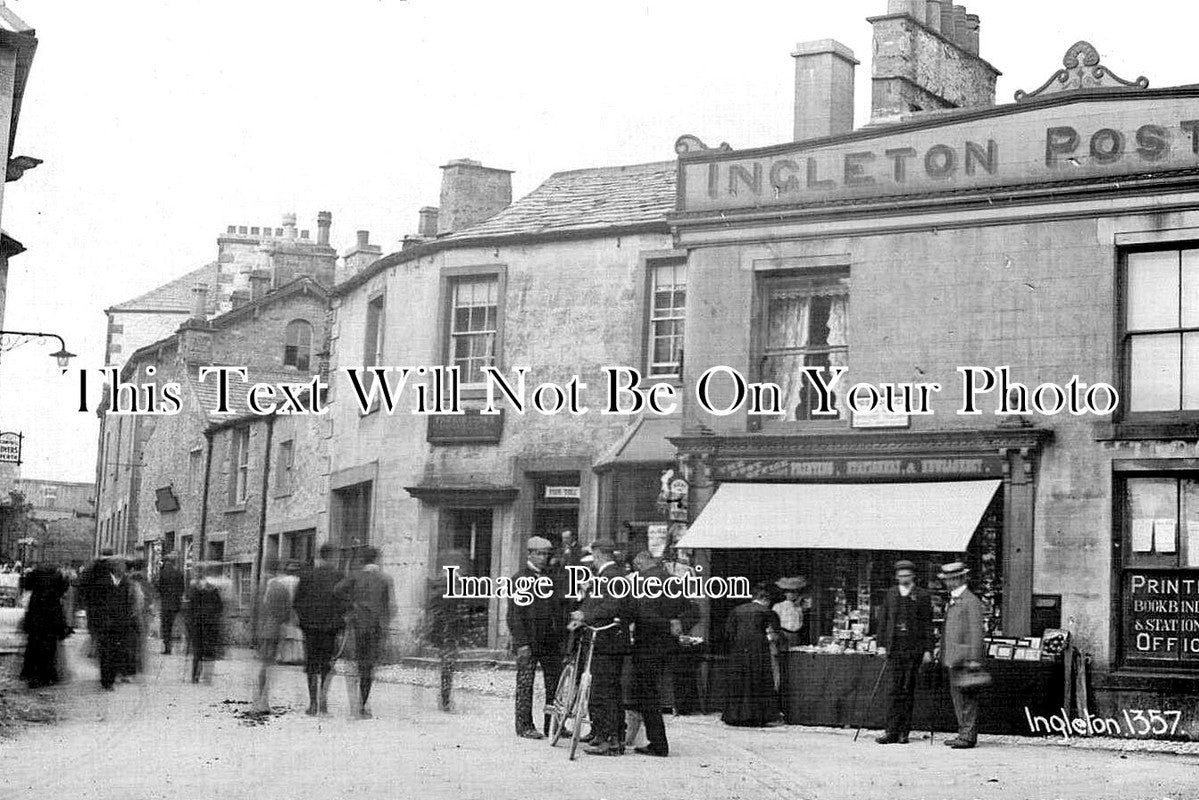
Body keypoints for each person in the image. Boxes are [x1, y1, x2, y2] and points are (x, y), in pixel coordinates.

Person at [574, 539, 632, 756]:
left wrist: (585, 615)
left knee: (604, 690)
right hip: (609, 640)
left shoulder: (611, 576)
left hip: (607, 640)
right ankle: (607, 735)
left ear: (598, 555)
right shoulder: (611, 575)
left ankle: (609, 739)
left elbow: (611, 606)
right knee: (609, 689)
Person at [628, 551, 687, 757]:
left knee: (647, 694)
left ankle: (657, 743)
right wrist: (678, 624)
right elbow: (692, 610)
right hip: (668, 646)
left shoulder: (642, 582)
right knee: (652, 693)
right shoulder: (673, 581)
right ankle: (652, 740)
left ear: (639, 562)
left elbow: (642, 614)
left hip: (647, 645)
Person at [507, 535, 567, 739]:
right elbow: (513, 615)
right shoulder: (519, 579)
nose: (543, 558)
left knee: (555, 684)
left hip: (551, 640)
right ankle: (524, 726)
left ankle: (554, 724)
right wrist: (521, 643)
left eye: (546, 554)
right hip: (529, 641)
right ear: (529, 554)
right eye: (539, 554)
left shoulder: (552, 577)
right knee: (525, 683)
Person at [874, 560, 934, 745]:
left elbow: (927, 625)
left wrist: (928, 650)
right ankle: (890, 731)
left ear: (913, 576)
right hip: (894, 648)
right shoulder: (891, 594)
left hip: (913, 648)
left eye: (906, 576)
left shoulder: (922, 595)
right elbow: (883, 620)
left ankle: (904, 732)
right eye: (900, 576)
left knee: (908, 690)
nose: (903, 579)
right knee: (893, 690)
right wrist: (881, 644)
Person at [335, 546, 395, 719]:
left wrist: (351, 606)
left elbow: (337, 590)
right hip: (375, 627)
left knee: (356, 663)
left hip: (357, 625)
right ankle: (363, 703)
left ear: (363, 560)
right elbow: (390, 606)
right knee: (369, 666)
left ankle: (355, 704)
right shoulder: (385, 578)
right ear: (376, 559)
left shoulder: (355, 576)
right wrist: (386, 625)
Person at [294, 543, 347, 716]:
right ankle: (323, 702)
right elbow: (344, 603)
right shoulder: (339, 576)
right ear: (331, 556)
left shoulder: (307, 576)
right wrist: (340, 622)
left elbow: (297, 603)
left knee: (311, 665)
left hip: (310, 628)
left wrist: (304, 621)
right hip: (330, 629)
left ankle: (313, 703)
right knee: (326, 665)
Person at [938, 561, 986, 749]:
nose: (947, 583)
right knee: (959, 698)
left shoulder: (970, 601)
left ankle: (968, 735)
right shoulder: (954, 600)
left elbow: (976, 632)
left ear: (959, 579)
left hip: (965, 657)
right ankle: (963, 733)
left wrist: (974, 659)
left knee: (967, 698)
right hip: (954, 656)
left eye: (950, 579)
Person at [722, 582, 781, 727]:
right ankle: (757, 716)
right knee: (757, 680)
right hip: (759, 649)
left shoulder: (737, 610)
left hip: (739, 650)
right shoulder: (767, 612)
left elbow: (728, 633)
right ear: (766, 600)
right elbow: (775, 634)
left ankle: (735, 715)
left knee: (739, 681)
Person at [252, 559, 301, 713]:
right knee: (269, 665)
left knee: (266, 664)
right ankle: (262, 701)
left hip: (265, 628)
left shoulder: (268, 585)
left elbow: (260, 607)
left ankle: (260, 700)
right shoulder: (279, 587)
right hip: (274, 628)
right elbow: (284, 611)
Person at [86, 553, 136, 690]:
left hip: (120, 623)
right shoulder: (102, 581)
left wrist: (127, 619)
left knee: (116, 652)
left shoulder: (125, 582)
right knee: (106, 652)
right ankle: (106, 681)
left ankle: (111, 678)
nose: (123, 568)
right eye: (121, 566)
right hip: (105, 623)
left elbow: (127, 603)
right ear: (114, 567)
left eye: (124, 566)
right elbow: (95, 602)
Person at [19, 564, 72, 688]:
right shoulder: (58, 574)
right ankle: (47, 675)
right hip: (52, 612)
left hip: (36, 611)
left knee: (33, 644)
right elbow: (64, 589)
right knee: (49, 645)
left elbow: (26, 586)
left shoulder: (35, 572)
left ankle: (32, 674)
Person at [186, 564, 225, 684]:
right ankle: (207, 676)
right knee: (209, 650)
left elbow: (190, 609)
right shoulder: (214, 591)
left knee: (197, 651)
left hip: (198, 624)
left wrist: (190, 623)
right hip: (211, 624)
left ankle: (195, 676)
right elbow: (220, 607)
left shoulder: (195, 591)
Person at [154, 556, 186, 654]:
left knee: (166, 626)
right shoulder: (179, 573)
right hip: (176, 604)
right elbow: (182, 588)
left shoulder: (163, 574)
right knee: (173, 625)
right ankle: (177, 643)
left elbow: (159, 588)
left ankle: (167, 647)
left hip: (166, 604)